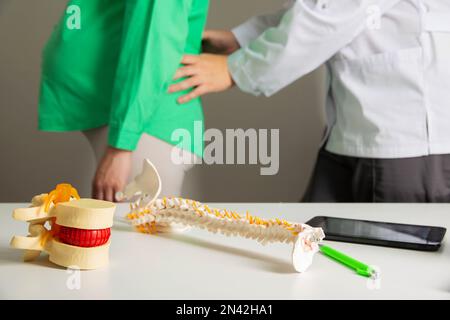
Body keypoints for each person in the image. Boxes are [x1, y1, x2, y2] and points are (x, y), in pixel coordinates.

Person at [169, 0, 450, 202]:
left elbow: (331, 15)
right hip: (358, 129)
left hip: (404, 136)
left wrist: (236, 69)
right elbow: (320, 9)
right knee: (316, 246)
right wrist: (243, 38)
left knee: (388, 268)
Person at [38, 0, 209, 201]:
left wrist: (121, 147)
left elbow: (152, 44)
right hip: (125, 121)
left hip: (144, 124)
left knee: (136, 230)